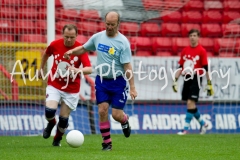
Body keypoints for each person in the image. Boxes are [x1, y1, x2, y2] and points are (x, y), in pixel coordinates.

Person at [64, 11, 137, 151]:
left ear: (118, 24)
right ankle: (107, 143)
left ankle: (124, 120)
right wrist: (71, 52)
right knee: (102, 111)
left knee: (116, 115)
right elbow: (84, 48)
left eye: (112, 25)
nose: (109, 27)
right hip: (102, 81)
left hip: (118, 82)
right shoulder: (98, 37)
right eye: (107, 24)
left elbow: (127, 66)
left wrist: (132, 87)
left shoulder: (123, 43)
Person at [39, 24, 92, 146]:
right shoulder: (55, 44)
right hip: (55, 84)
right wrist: (41, 68)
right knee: (49, 111)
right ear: (63, 34)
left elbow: (89, 69)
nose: (68, 40)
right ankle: (51, 123)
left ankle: (57, 140)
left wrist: (78, 70)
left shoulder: (80, 49)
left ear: (76, 36)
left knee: (63, 119)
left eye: (71, 37)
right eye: (66, 36)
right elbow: (46, 54)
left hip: (71, 88)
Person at [172, 29, 214, 135]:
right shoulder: (185, 50)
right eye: (191, 35)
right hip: (187, 78)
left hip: (196, 78)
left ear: (198, 37)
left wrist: (209, 83)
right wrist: (175, 80)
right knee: (190, 105)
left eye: (194, 35)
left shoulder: (202, 51)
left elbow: (206, 68)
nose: (192, 37)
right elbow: (180, 67)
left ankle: (185, 129)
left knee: (190, 103)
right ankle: (204, 124)